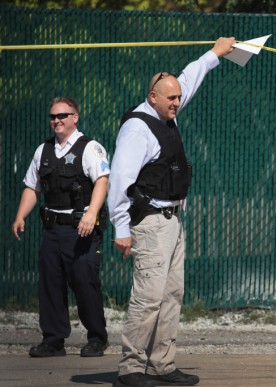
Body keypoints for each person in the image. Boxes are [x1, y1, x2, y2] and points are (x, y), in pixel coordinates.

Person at [107, 37, 236, 387]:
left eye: (179, 97)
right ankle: (131, 367)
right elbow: (119, 179)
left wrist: (216, 53)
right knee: (148, 296)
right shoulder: (138, 128)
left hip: (173, 221)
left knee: (171, 295)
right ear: (153, 97)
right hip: (149, 222)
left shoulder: (166, 113)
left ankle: (161, 364)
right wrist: (120, 227)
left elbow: (189, 77)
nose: (178, 102)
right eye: (171, 98)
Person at [11, 97, 110, 358]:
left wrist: (92, 213)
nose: (56, 120)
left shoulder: (89, 148)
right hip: (53, 229)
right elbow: (33, 187)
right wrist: (21, 215)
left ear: (75, 117)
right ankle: (53, 340)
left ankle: (97, 338)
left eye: (62, 115)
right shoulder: (43, 151)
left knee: (84, 281)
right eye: (53, 116)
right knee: (50, 284)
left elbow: (102, 181)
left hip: (82, 229)